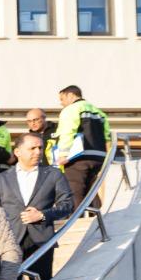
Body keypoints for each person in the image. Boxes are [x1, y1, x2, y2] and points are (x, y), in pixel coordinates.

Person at [0, 132, 75, 280]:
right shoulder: (1, 179)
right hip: (10, 245)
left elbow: (67, 205)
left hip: (41, 243)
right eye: (32, 148)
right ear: (18, 151)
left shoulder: (53, 174)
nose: (38, 152)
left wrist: (43, 215)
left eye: (40, 148)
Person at [55, 84, 112, 213]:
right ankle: (96, 219)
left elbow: (67, 132)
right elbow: (107, 136)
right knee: (91, 190)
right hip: (98, 156)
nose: (61, 103)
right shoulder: (99, 112)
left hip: (78, 156)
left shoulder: (71, 109)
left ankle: (75, 221)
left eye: (62, 99)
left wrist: (63, 154)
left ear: (71, 95)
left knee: (74, 189)